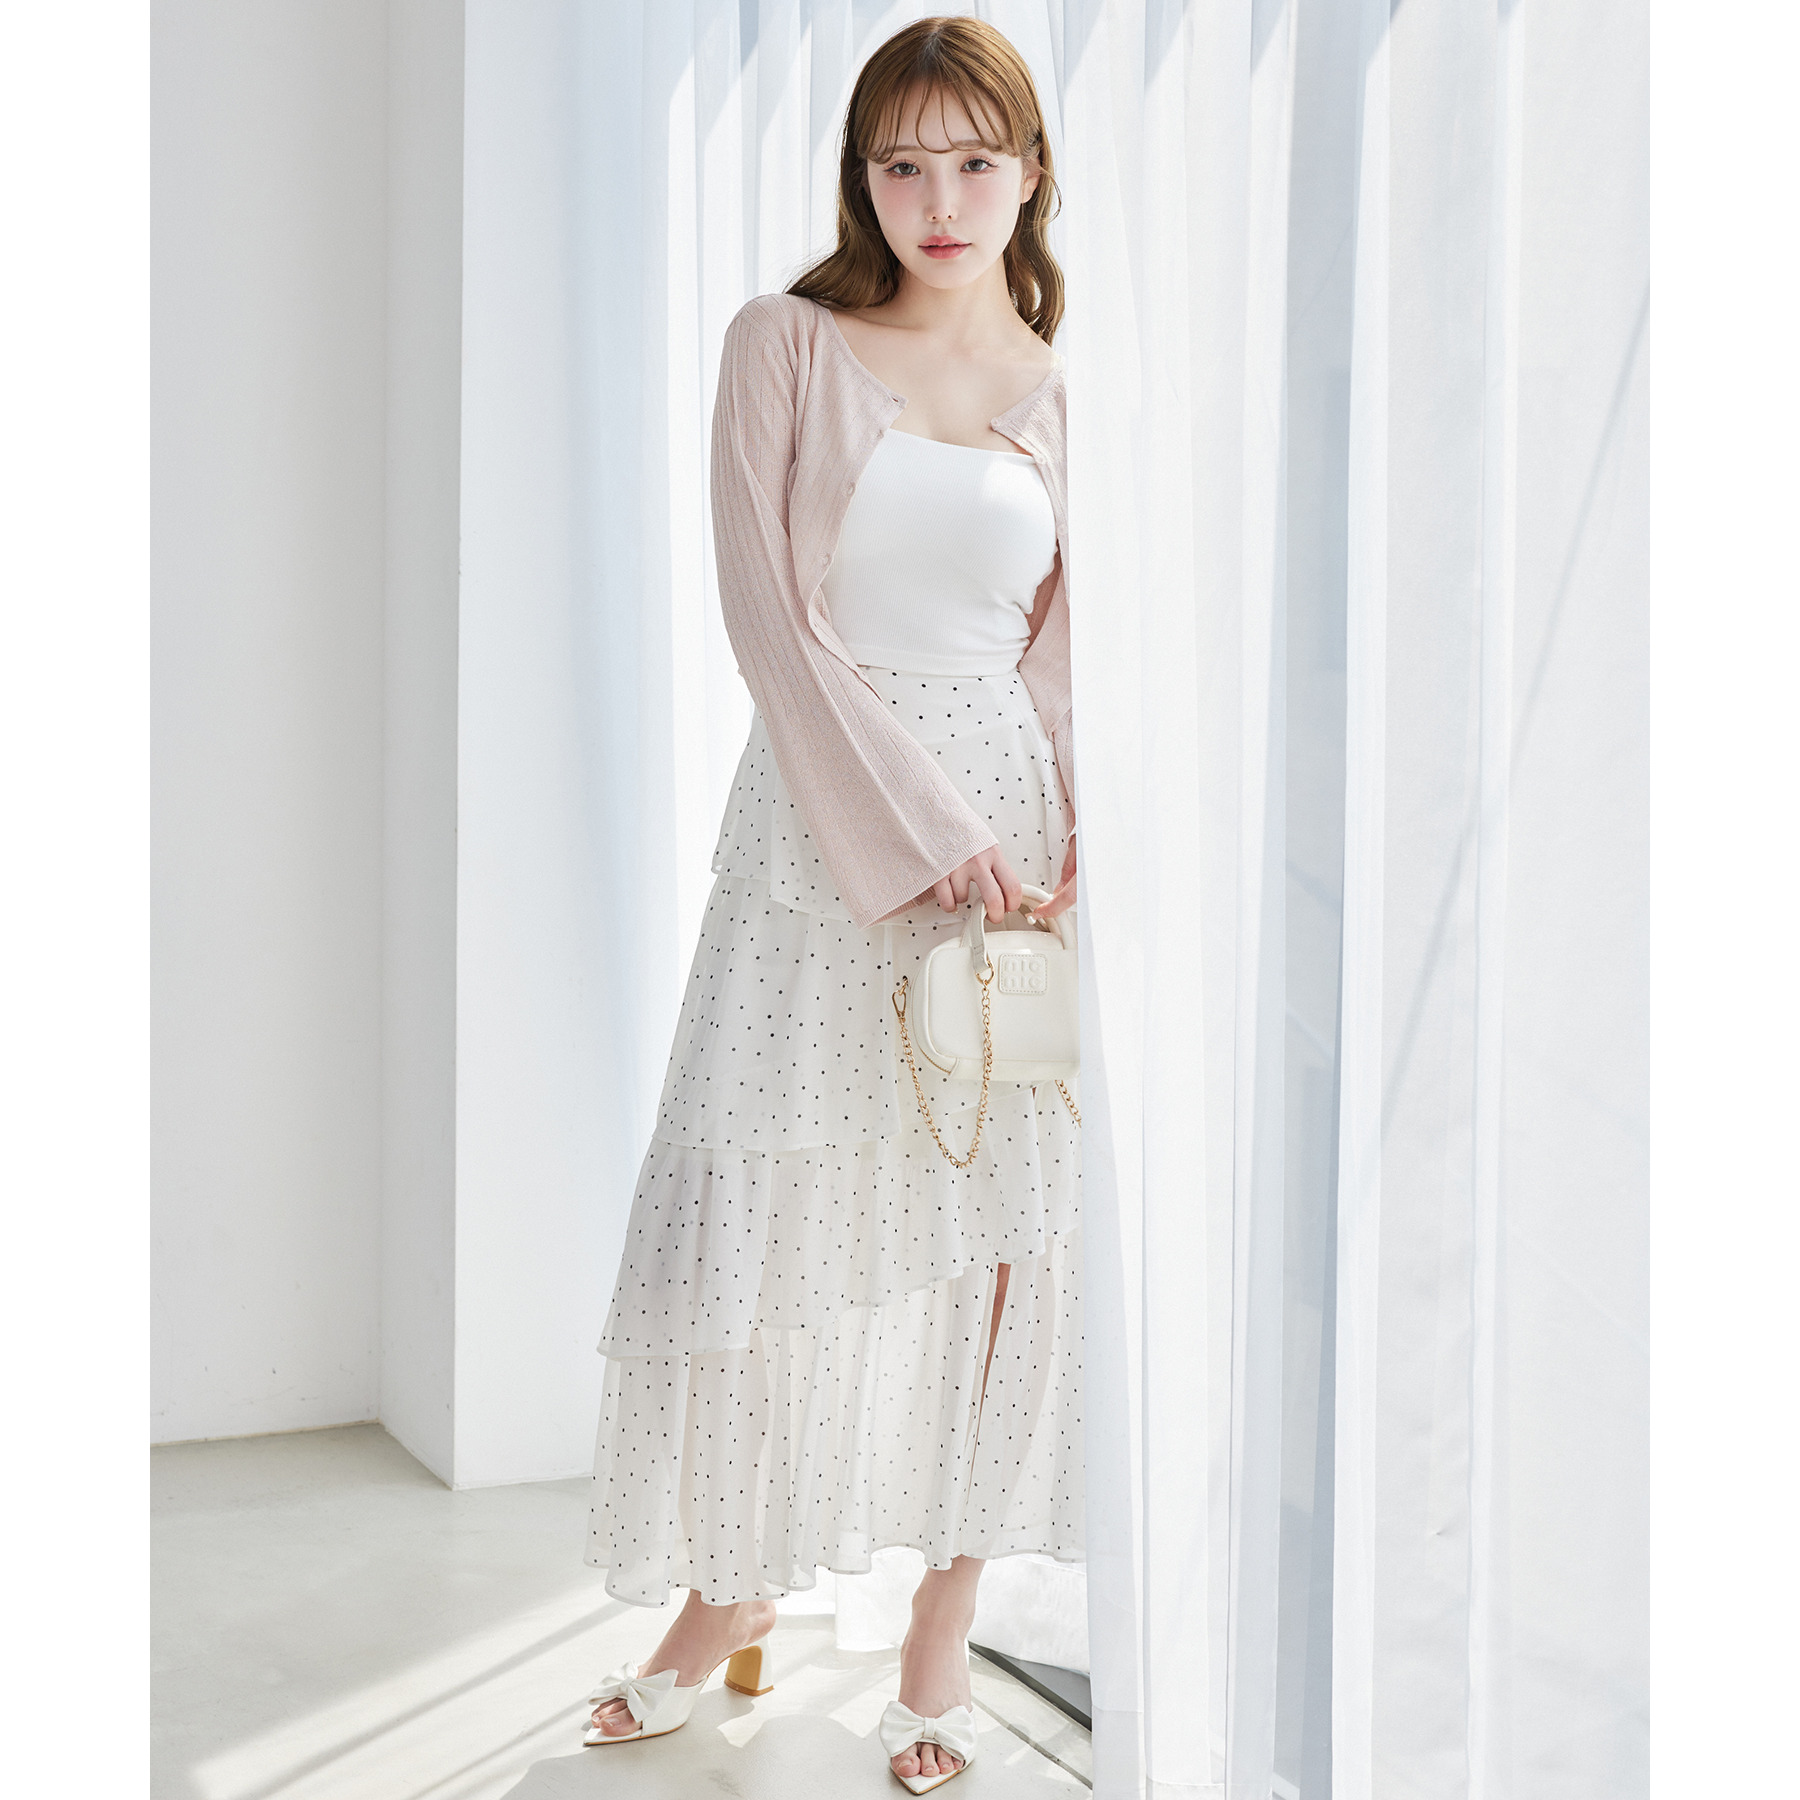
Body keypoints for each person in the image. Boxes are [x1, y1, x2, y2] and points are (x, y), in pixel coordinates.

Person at [582, 17, 1079, 1793]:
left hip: (1017, 851)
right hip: (827, 827)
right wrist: (924, 826)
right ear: (861, 177)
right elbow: (771, 620)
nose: (938, 198)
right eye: (900, 162)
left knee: (1009, 1236)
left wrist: (1074, 842)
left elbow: (1068, 655)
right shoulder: (783, 342)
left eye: (973, 160)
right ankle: (730, 1587)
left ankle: (944, 1623)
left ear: (1029, 171)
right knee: (767, 1203)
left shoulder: (1060, 385)